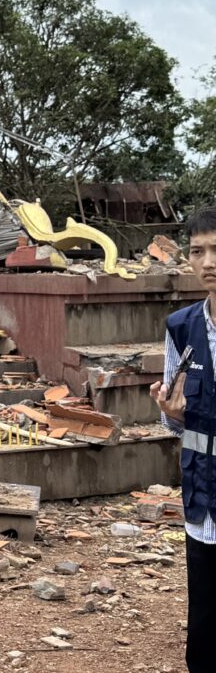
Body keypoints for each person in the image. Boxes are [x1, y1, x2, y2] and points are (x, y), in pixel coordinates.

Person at [153, 206, 216, 671]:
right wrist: (170, 414)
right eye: (197, 251)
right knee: (207, 626)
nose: (208, 262)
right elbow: (175, 417)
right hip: (204, 497)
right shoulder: (182, 327)